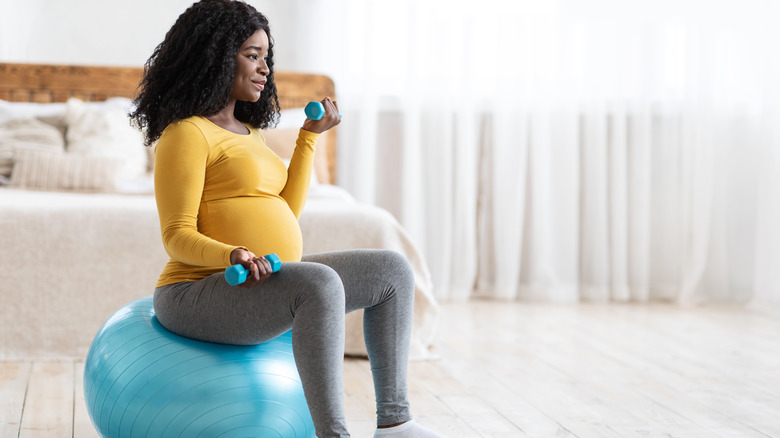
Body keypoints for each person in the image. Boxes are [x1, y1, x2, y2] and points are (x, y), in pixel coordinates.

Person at [130, 1, 446, 437]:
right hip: (196, 291)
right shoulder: (186, 133)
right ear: (216, 55)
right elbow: (176, 235)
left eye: (266, 58)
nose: (264, 69)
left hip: (264, 278)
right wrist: (232, 254)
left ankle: (395, 424)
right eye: (251, 55)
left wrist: (308, 139)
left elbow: (286, 211)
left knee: (390, 270)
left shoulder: (251, 134)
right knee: (317, 281)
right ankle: (332, 434)